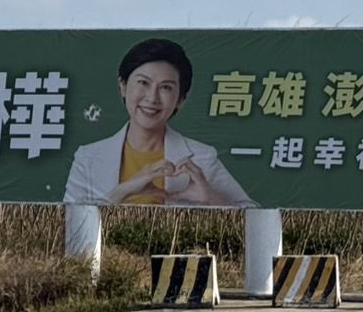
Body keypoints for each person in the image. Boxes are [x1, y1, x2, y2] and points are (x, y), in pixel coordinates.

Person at [63, 37, 253, 208]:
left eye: (166, 88)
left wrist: (210, 197)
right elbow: (66, 224)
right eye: (143, 83)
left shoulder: (202, 159)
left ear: (180, 100)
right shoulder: (87, 158)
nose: (152, 98)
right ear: (122, 86)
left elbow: (253, 214)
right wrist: (122, 192)